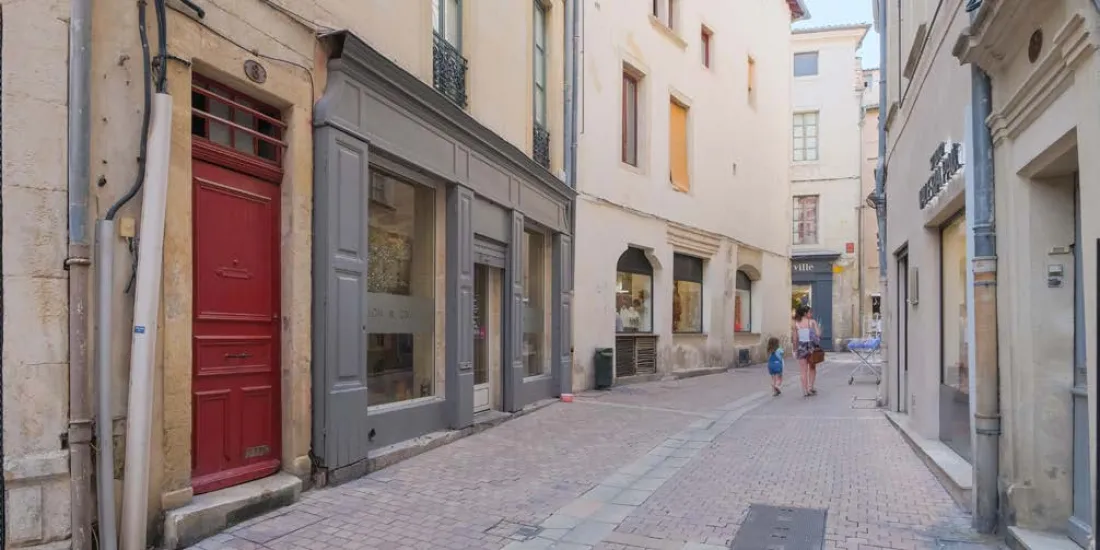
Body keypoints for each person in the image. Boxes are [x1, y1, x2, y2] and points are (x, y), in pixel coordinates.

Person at [791, 305, 822, 397]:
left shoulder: (796, 323)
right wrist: (819, 329)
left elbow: (795, 338)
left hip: (801, 347)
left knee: (803, 370)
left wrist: (794, 350)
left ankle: (805, 391)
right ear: (805, 313)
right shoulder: (812, 322)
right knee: (812, 368)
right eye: (809, 312)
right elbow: (818, 334)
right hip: (811, 347)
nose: (811, 314)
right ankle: (810, 387)